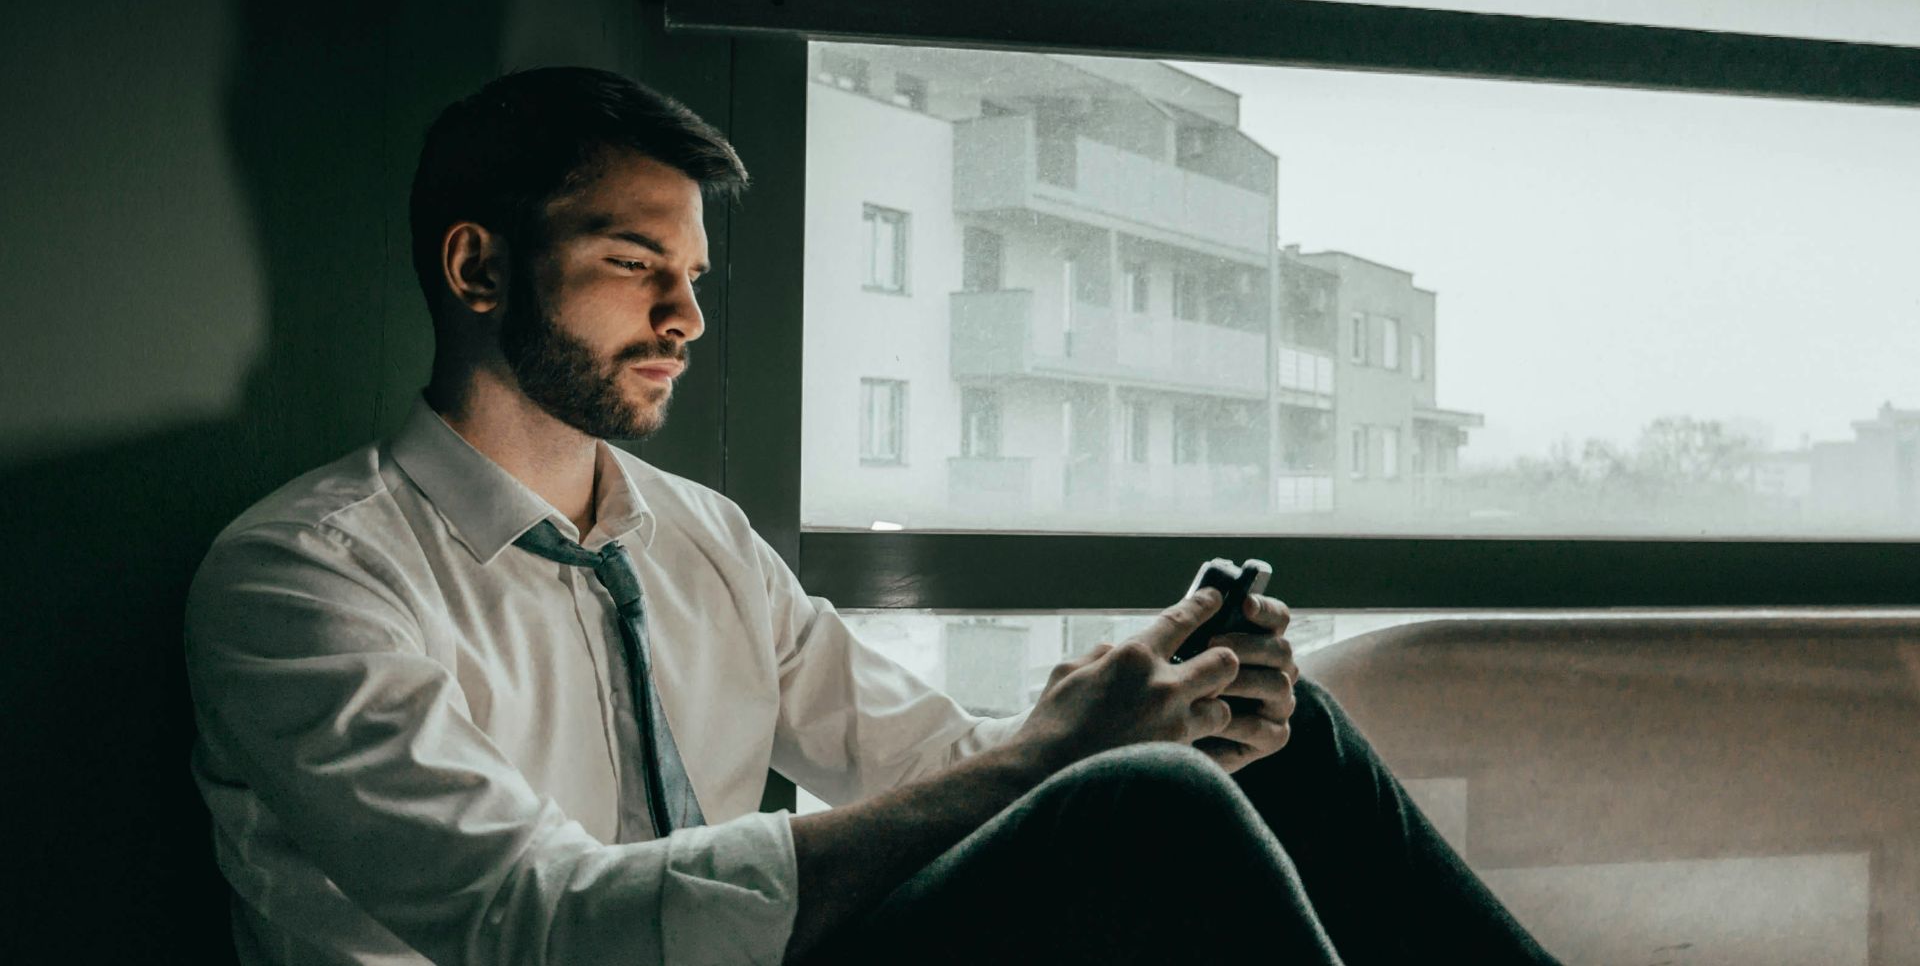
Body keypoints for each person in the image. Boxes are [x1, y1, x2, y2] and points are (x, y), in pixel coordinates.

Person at [185, 66, 1560, 966]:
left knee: (1269, 738)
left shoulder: (696, 539)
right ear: (479, 268)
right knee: (1144, 801)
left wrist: (1145, 700)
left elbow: (932, 769)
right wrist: (1068, 765)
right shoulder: (303, 581)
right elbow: (535, 920)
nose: (687, 318)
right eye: (632, 266)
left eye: (694, 274)